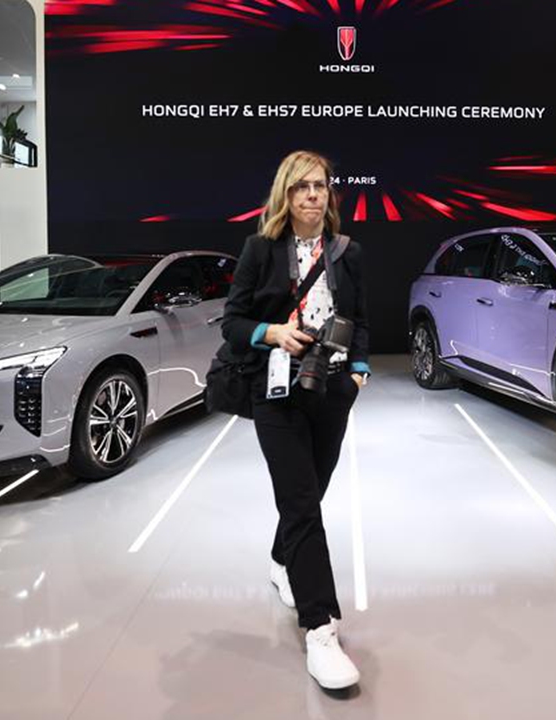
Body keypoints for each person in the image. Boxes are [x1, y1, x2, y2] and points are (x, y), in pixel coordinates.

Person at [221, 150, 369, 691]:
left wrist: (358, 375)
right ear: (285, 193)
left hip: (330, 390)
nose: (313, 194)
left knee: (314, 490)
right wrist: (273, 333)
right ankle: (320, 628)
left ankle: (282, 561)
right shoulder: (259, 250)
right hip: (274, 390)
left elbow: (362, 320)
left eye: (321, 186)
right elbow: (232, 323)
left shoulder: (348, 253)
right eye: (302, 186)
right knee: (302, 503)